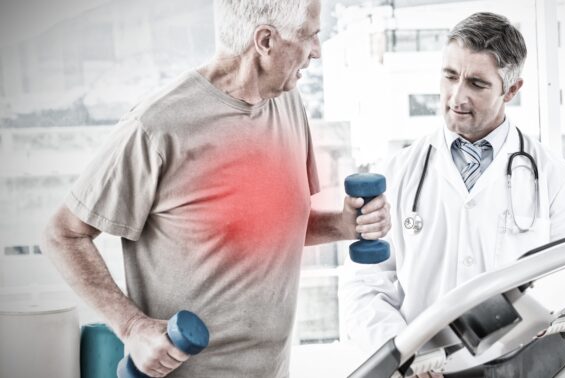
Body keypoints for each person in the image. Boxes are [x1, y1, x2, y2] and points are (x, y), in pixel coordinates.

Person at [42, 0, 390, 377]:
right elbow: (63, 235)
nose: (317, 51)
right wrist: (132, 328)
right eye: (310, 36)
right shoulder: (157, 126)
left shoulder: (288, 103)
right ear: (266, 41)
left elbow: (269, 227)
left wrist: (343, 225)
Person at [340, 12, 565, 376]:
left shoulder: (557, 178)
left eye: (477, 83)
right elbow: (363, 286)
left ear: (512, 90)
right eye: (449, 76)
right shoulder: (396, 173)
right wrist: (406, 356)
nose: (457, 96)